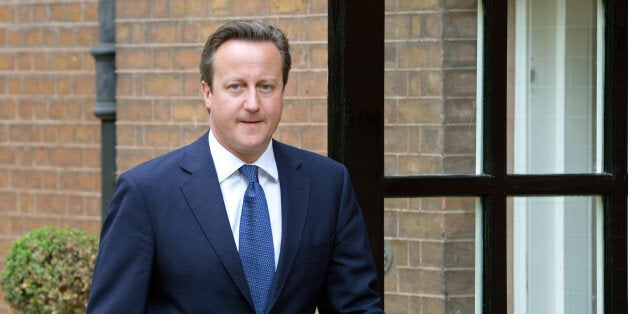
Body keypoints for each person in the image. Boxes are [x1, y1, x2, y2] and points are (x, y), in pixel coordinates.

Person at [86, 20, 383, 313]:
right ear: (207, 93)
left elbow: (356, 306)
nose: (252, 103)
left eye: (265, 86)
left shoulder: (327, 184)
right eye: (236, 87)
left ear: (282, 92)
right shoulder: (147, 193)